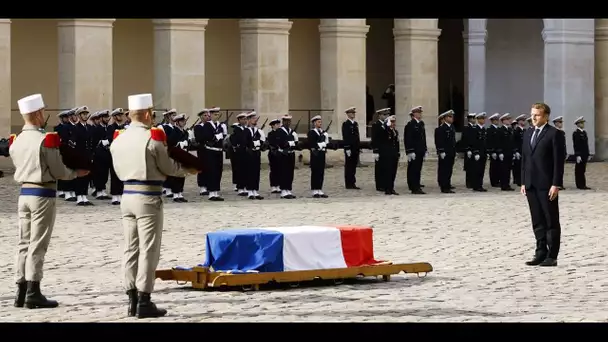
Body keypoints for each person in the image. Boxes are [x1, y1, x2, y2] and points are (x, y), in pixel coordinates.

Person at [110, 93, 188, 318]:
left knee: (130, 248)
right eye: (152, 113)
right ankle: (144, 299)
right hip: (148, 195)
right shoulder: (153, 137)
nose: (153, 117)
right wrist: (188, 168)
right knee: (148, 249)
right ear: (146, 114)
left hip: (127, 194)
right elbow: (168, 167)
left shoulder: (119, 138)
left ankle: (132, 297)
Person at [10, 93, 89, 309]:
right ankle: (33, 291)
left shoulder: (17, 140)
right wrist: (75, 173)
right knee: (37, 244)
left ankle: (21, 289)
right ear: (36, 115)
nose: (44, 115)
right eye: (42, 112)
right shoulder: (45, 140)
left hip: (24, 193)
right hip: (42, 193)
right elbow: (58, 170)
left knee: (23, 243)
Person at [521, 102, 565, 267]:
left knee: (550, 220)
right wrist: (523, 181)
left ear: (546, 116)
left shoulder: (555, 134)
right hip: (531, 184)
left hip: (547, 184)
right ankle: (540, 252)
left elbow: (558, 161)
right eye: (532, 114)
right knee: (537, 220)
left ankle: (552, 255)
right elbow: (525, 159)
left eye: (537, 115)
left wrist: (556, 184)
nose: (533, 117)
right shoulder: (528, 133)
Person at [404, 106, 427, 194]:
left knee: (418, 169)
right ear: (414, 114)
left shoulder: (421, 124)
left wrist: (425, 149)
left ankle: (417, 184)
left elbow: (423, 138)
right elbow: (408, 139)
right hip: (414, 151)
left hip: (420, 150)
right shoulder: (410, 125)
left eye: (420, 112)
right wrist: (410, 151)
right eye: (418, 112)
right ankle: (414, 187)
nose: (420, 114)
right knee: (413, 169)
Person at [307, 115, 329, 198]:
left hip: (322, 153)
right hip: (315, 154)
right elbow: (312, 144)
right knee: (315, 172)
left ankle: (319, 189)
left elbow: (327, 143)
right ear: (314, 123)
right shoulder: (312, 132)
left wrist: (325, 141)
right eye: (318, 122)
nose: (320, 123)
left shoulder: (323, 132)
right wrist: (322, 144)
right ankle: (314, 190)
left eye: (320, 122)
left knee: (321, 172)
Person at [434, 110, 456, 193]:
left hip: (451, 152)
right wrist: (441, 151)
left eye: (452, 117)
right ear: (445, 118)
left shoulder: (451, 127)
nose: (452, 118)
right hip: (445, 152)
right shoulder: (441, 128)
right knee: (444, 170)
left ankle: (447, 184)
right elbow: (439, 141)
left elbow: (453, 141)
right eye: (450, 117)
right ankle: (444, 186)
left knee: (449, 170)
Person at [341, 107, 361, 189]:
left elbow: (357, 136)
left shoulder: (355, 124)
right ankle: (348, 183)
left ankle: (353, 182)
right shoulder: (346, 124)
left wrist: (358, 147)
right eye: (351, 113)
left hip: (355, 148)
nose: (353, 114)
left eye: (354, 113)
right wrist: (347, 148)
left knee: (353, 166)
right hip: (349, 148)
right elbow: (346, 137)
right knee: (349, 166)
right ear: (348, 114)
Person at [371, 108, 389, 191]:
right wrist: (375, 151)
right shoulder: (376, 125)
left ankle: (385, 183)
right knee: (379, 168)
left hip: (386, 150)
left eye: (387, 114)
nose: (386, 116)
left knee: (386, 167)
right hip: (379, 150)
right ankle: (379, 185)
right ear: (380, 115)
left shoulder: (387, 125)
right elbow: (374, 139)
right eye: (384, 114)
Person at [381, 115, 400, 195]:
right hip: (387, 155)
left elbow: (396, 143)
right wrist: (386, 126)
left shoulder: (395, 131)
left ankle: (391, 187)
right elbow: (382, 137)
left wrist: (398, 152)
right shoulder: (386, 131)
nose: (393, 123)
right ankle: (387, 189)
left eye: (394, 122)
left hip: (394, 154)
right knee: (387, 172)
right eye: (391, 121)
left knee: (393, 172)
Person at [572, 116, 591, 190]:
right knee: (579, 170)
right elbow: (576, 145)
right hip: (580, 154)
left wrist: (588, 154)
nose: (583, 124)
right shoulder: (576, 133)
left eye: (583, 123)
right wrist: (577, 155)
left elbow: (586, 145)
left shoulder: (584, 132)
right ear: (578, 124)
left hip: (584, 154)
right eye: (582, 123)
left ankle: (583, 184)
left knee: (583, 170)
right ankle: (579, 184)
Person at [267, 119, 281, 193]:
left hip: (280, 153)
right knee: (273, 170)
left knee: (279, 169)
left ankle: (278, 185)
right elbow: (271, 143)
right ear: (272, 126)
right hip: (273, 153)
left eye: (279, 124)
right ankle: (273, 186)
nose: (278, 126)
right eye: (276, 124)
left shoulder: (281, 133)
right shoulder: (270, 134)